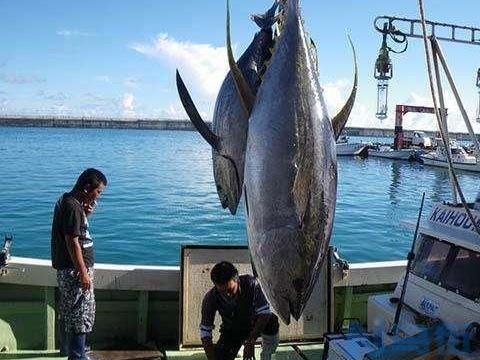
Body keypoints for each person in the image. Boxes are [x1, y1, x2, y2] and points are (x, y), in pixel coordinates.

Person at [51, 168, 107, 360]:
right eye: (98, 192)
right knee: (81, 313)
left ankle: (69, 350)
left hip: (68, 270)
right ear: (86, 188)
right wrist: (83, 272)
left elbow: (75, 232)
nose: (98, 196)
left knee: (68, 311)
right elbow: (72, 241)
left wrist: (86, 214)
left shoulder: (68, 202)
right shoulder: (73, 207)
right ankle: (77, 355)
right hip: (74, 272)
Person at [200, 261, 279, 360]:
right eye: (222, 292)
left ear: (237, 280)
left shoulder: (252, 284)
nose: (227, 295)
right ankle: (238, 346)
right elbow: (205, 332)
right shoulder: (210, 298)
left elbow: (265, 313)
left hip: (255, 323)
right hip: (232, 329)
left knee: (272, 321)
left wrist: (251, 340)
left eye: (230, 290)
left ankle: (267, 353)